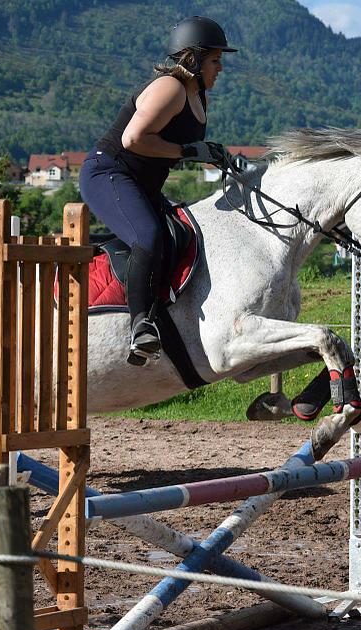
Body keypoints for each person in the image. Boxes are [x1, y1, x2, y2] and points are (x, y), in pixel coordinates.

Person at [79, 16, 236, 367]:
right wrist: (186, 152)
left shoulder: (199, 97)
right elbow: (132, 139)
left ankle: (167, 315)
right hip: (109, 172)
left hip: (142, 184)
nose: (221, 67)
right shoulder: (172, 87)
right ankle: (140, 325)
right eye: (215, 59)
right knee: (148, 236)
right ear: (193, 60)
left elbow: (177, 144)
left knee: (181, 232)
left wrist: (211, 153)